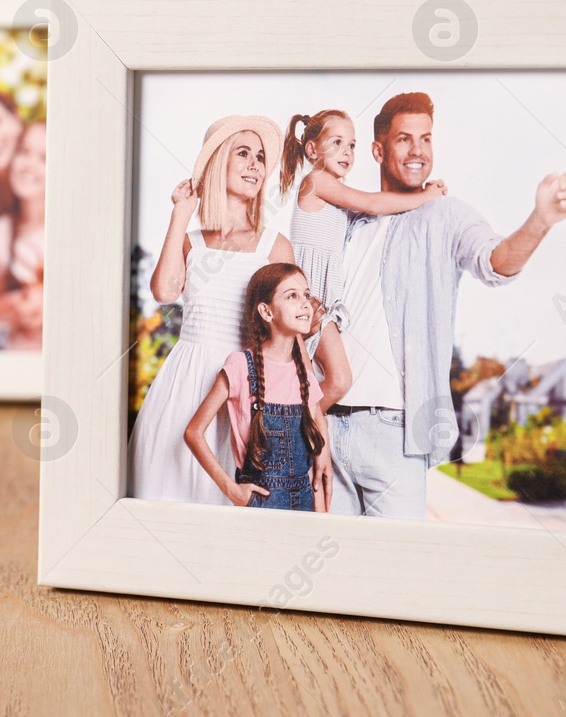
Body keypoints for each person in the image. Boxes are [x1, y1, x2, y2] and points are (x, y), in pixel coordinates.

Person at [328, 92, 566, 519]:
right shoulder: (346, 220)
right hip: (327, 425)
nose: (418, 151)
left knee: (395, 572)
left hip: (395, 432)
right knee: (331, 573)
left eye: (426, 139)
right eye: (405, 139)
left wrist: (540, 220)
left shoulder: (446, 215)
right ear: (378, 149)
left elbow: (496, 262)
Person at [129, 115, 295, 504]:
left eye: (259, 157)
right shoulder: (191, 241)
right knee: (167, 490)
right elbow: (165, 292)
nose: (255, 164)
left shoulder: (274, 245)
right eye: (243, 153)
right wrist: (181, 213)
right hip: (185, 380)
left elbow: (288, 336)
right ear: (219, 162)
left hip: (245, 385)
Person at [278, 108, 447, 423]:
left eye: (352, 145)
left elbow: (373, 214)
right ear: (312, 149)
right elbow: (372, 203)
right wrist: (426, 195)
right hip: (311, 299)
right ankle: (291, 426)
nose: (346, 152)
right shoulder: (317, 181)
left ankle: (298, 427)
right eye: (337, 143)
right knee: (339, 380)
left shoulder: (333, 196)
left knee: (313, 379)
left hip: (320, 300)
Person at [185, 263, 329, 511]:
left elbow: (317, 436)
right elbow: (193, 433)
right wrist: (233, 490)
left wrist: (322, 514)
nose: (306, 303)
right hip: (261, 502)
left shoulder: (304, 372)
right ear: (266, 311)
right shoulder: (241, 365)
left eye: (306, 294)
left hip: (305, 502)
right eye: (292, 296)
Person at [0, 119, 46, 349]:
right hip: (15, 361)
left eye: (45, 159)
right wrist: (14, 306)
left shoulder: (70, 236)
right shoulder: (1, 232)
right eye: (24, 152)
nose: (29, 165)